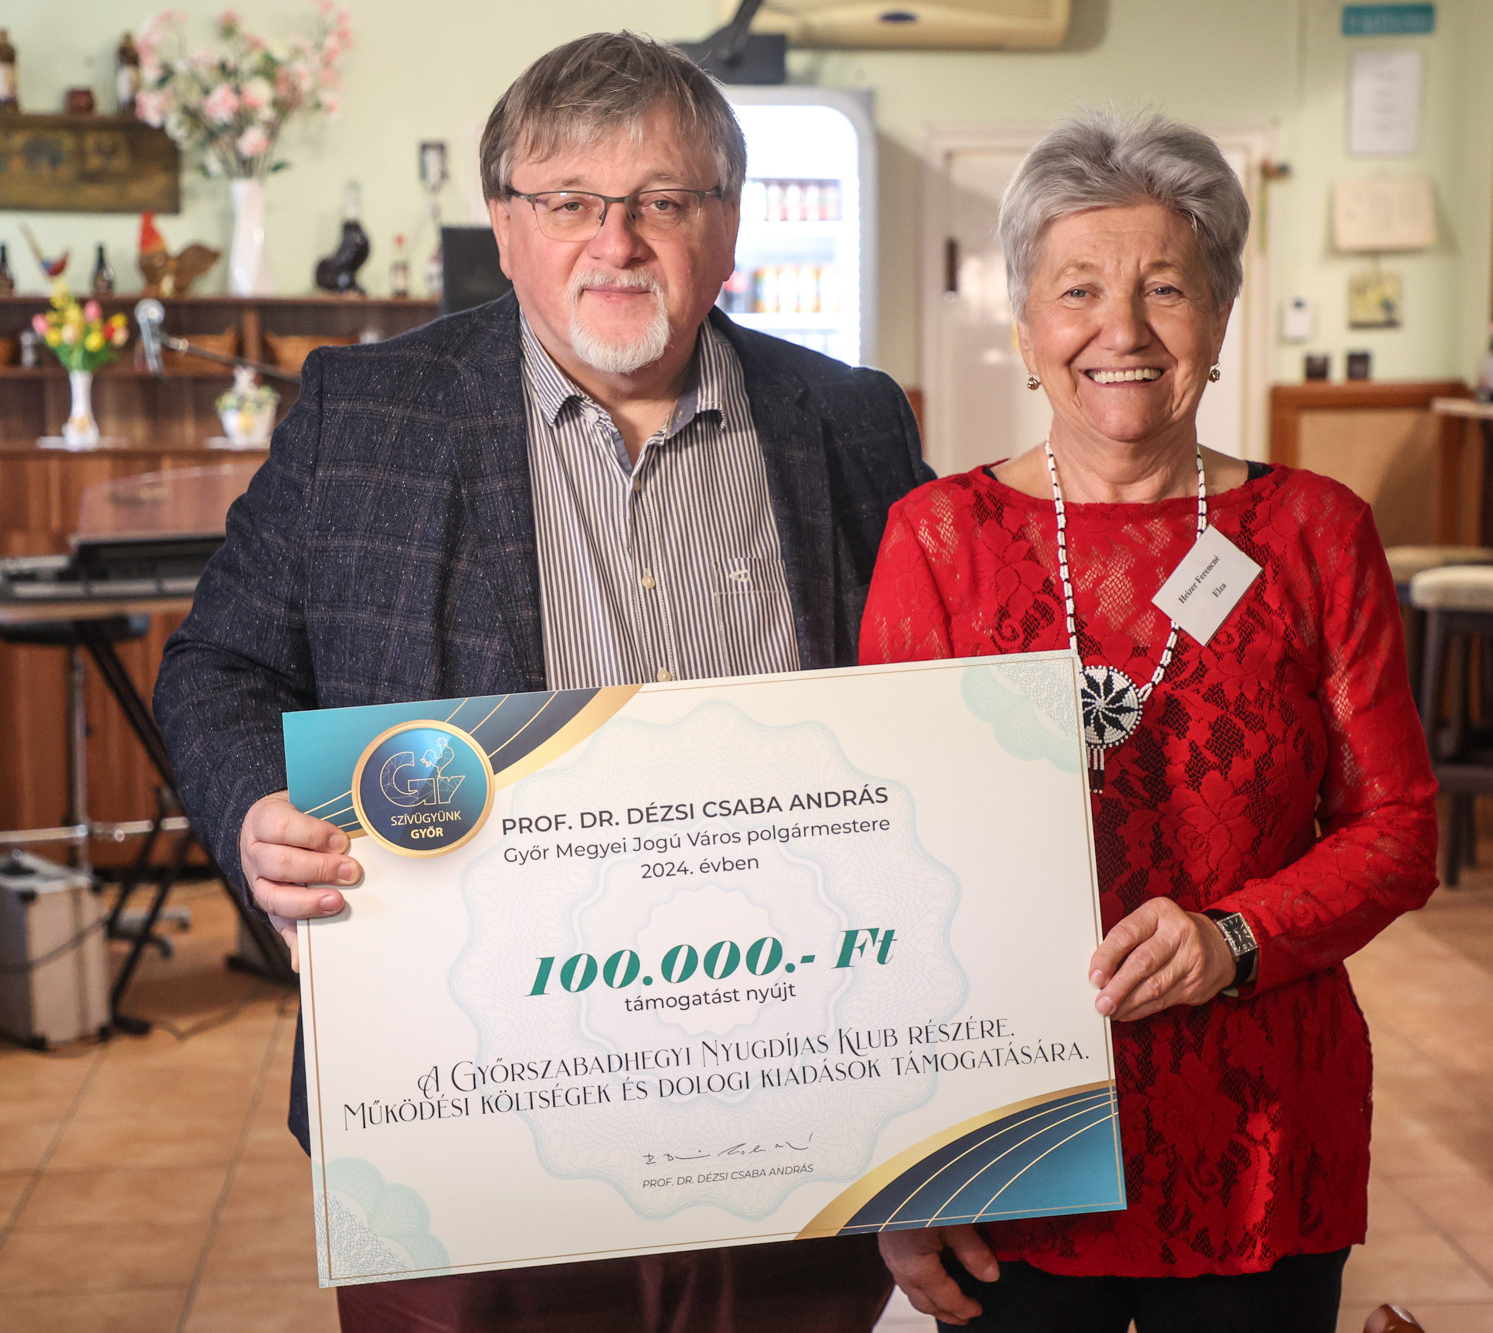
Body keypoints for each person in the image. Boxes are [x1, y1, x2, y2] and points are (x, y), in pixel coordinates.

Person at [153, 30, 930, 1333]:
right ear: (504, 225)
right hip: (468, 1119)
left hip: (797, 1103)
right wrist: (249, 814)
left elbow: (935, 703)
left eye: (663, 200)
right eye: (569, 201)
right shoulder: (364, 413)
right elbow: (219, 663)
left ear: (728, 224)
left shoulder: (851, 421)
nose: (616, 241)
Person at [858, 111, 1439, 1332]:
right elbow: (885, 870)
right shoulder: (938, 540)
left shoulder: (1316, 533)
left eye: (1163, 288)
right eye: (1077, 289)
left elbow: (1396, 829)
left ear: (1217, 318)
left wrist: (1233, 936)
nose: (1119, 330)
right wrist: (901, 1169)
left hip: (1261, 1129)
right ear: (1024, 325)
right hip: (1010, 1138)